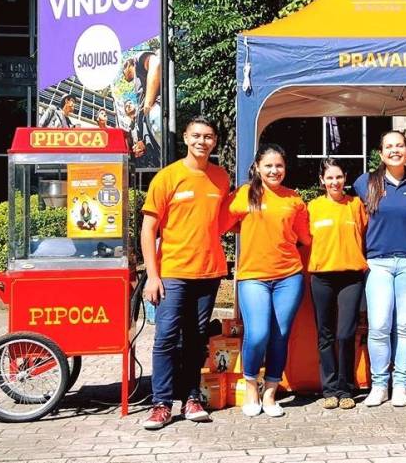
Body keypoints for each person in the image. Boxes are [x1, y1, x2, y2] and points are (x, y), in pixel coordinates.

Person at [141, 116, 231, 429]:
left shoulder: (221, 178)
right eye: (196, 136)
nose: (201, 141)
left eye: (208, 136)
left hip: (208, 272)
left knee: (196, 340)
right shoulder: (167, 177)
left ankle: (192, 397)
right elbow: (148, 228)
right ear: (186, 138)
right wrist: (153, 276)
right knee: (165, 338)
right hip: (172, 272)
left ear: (215, 141)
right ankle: (161, 403)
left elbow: (222, 221)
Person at [228, 143, 311, 418]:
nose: (274, 170)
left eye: (279, 166)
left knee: (280, 335)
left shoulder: (294, 200)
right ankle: (251, 384)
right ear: (257, 168)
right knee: (259, 333)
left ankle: (270, 392)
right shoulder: (244, 195)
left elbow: (306, 238)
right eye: (269, 166)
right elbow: (216, 224)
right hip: (253, 277)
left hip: (289, 276)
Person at [353, 131, 406, 408]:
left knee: (405, 325)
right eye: (389, 146)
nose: (394, 150)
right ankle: (379, 385)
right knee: (378, 326)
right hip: (379, 263)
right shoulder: (366, 182)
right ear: (381, 152)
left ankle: (400, 385)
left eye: (399, 146)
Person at [307, 158, 368, 410]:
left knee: (345, 334)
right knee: (326, 334)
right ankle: (330, 388)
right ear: (322, 180)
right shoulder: (312, 207)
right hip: (321, 277)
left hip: (351, 275)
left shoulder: (355, 205)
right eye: (329, 178)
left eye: (339, 177)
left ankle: (346, 388)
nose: (335, 182)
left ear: (345, 178)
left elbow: (365, 232)